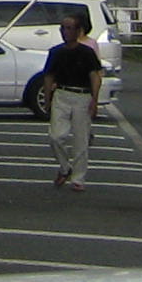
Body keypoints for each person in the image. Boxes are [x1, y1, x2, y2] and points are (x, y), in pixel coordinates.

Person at [42, 12, 103, 190]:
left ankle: (78, 179)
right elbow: (48, 76)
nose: (65, 32)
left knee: (81, 140)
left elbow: (95, 76)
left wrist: (95, 100)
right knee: (56, 136)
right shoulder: (56, 52)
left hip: (82, 96)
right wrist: (47, 99)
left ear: (78, 31)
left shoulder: (87, 53)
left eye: (69, 28)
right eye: (63, 28)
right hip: (61, 94)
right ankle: (64, 167)